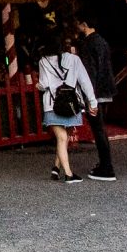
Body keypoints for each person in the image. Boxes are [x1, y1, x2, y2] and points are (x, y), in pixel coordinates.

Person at [37, 36, 96, 184]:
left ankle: (57, 169)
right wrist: (92, 101)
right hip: (71, 103)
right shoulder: (74, 59)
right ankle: (68, 173)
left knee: (61, 139)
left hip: (52, 103)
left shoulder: (43, 61)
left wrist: (39, 87)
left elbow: (43, 84)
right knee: (64, 137)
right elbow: (84, 80)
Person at [74, 15, 118, 182]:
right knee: (101, 129)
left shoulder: (87, 44)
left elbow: (89, 71)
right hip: (106, 89)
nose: (77, 27)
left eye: (79, 24)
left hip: (95, 91)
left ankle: (107, 167)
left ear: (84, 24)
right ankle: (105, 164)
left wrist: (89, 95)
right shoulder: (102, 41)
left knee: (98, 129)